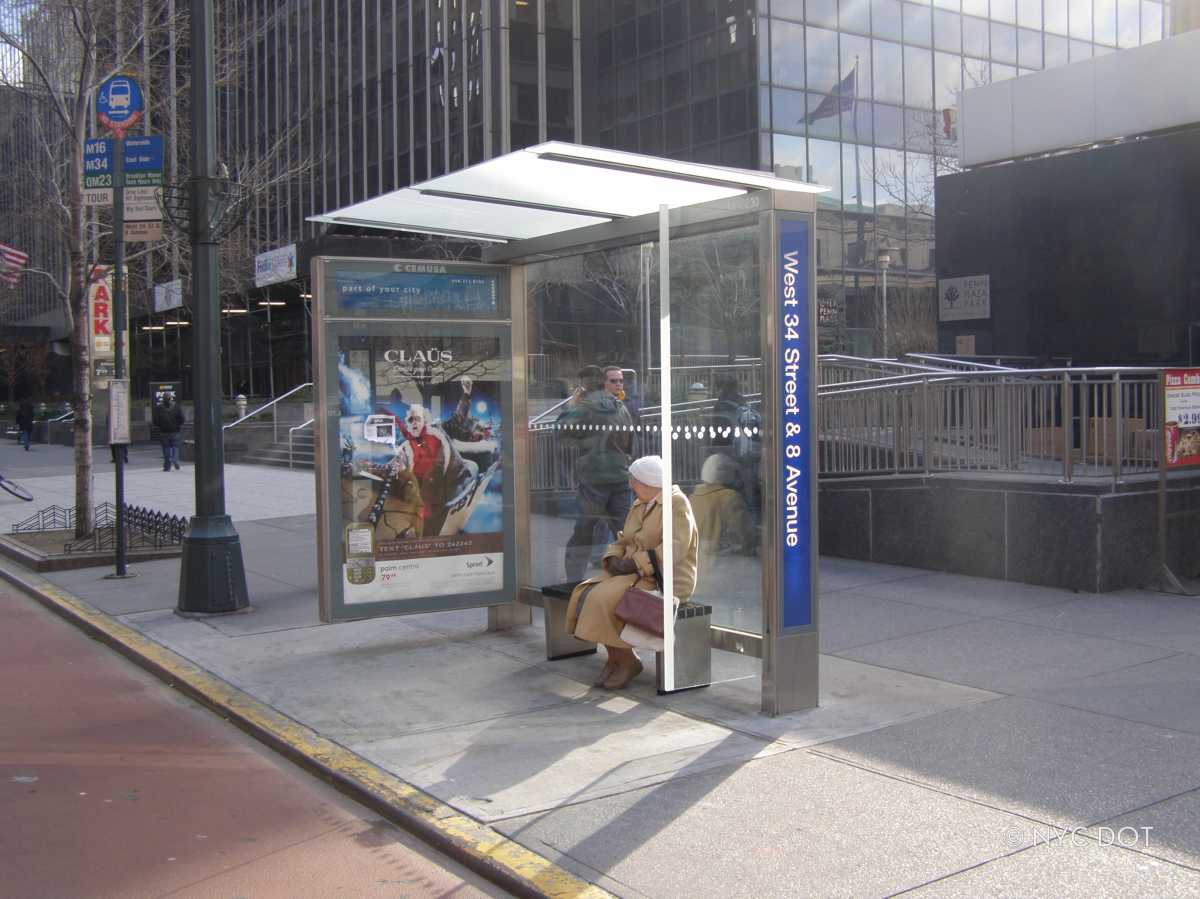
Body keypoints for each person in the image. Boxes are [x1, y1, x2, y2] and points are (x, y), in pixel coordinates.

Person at [565, 455, 699, 690]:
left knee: (605, 599)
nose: (630, 485)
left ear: (649, 483)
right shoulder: (641, 503)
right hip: (636, 573)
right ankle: (615, 657)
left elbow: (674, 548)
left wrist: (636, 563)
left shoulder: (676, 503)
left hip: (665, 577)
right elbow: (624, 538)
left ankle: (627, 660)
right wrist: (614, 557)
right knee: (585, 593)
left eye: (635, 481)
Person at [557, 365, 634, 581]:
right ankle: (629, 578)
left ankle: (574, 580)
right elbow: (630, 442)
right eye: (614, 381)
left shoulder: (586, 406)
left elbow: (562, 430)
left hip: (593, 478)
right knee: (624, 531)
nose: (619, 385)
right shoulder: (620, 407)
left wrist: (572, 405)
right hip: (619, 476)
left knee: (584, 530)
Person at [689, 453, 755, 574]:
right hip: (723, 571)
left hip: (697, 570)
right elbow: (745, 537)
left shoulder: (692, 498)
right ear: (727, 474)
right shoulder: (730, 498)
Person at [154, 393, 184, 471]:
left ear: (163, 399)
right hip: (175, 430)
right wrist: (178, 425)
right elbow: (182, 418)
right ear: (171, 398)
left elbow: (156, 420)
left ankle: (167, 466)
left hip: (164, 431)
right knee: (175, 446)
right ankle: (175, 459)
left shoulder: (159, 408)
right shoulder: (176, 407)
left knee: (166, 447)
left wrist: (160, 426)